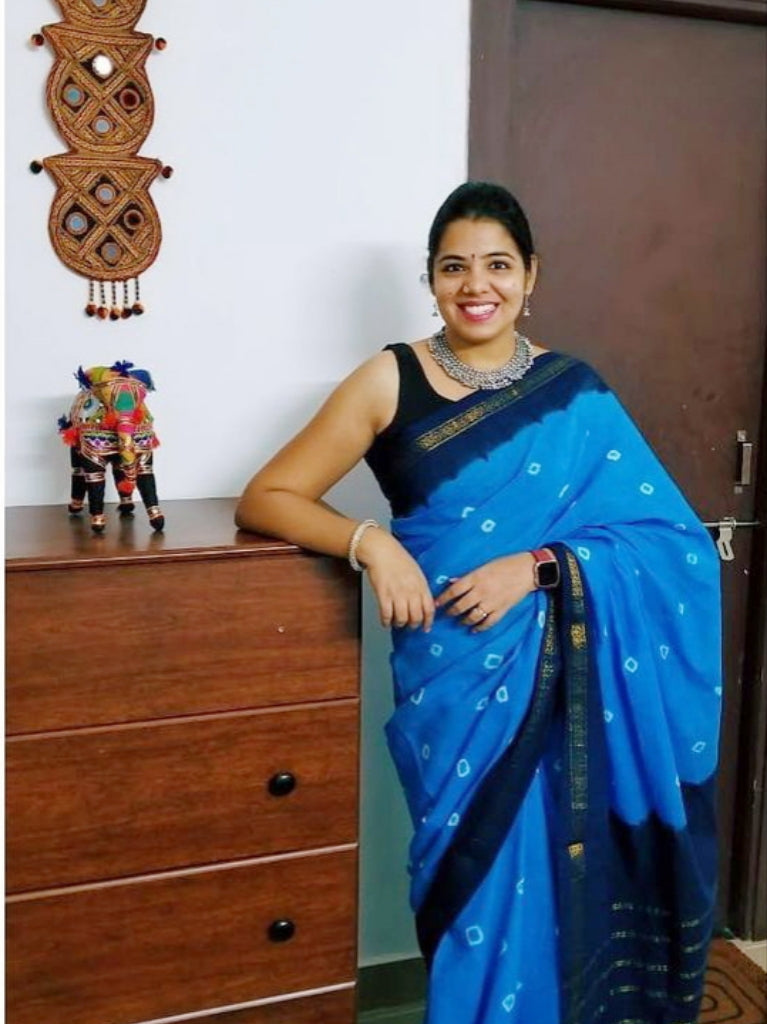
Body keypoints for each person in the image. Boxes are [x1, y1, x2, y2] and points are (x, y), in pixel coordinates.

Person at [236, 182, 721, 1024]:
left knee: (563, 874)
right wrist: (371, 543)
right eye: (454, 266)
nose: (476, 285)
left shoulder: (574, 391)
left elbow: (668, 542)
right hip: (454, 676)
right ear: (430, 279)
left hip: (563, 679)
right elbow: (267, 496)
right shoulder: (387, 380)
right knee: (473, 884)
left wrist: (536, 567)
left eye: (497, 265)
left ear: (530, 275)